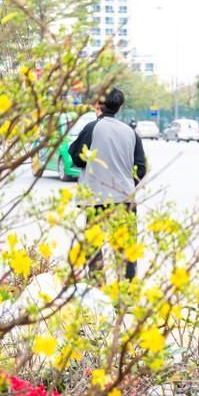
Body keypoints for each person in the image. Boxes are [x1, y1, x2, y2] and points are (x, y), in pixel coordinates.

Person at [69, 87, 147, 281]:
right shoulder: (131, 133)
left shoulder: (92, 128)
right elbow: (141, 167)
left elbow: (77, 158)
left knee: (94, 246)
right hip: (125, 199)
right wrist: (128, 184)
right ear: (119, 109)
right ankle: (126, 293)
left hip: (96, 199)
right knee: (126, 248)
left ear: (98, 106)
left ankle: (98, 290)